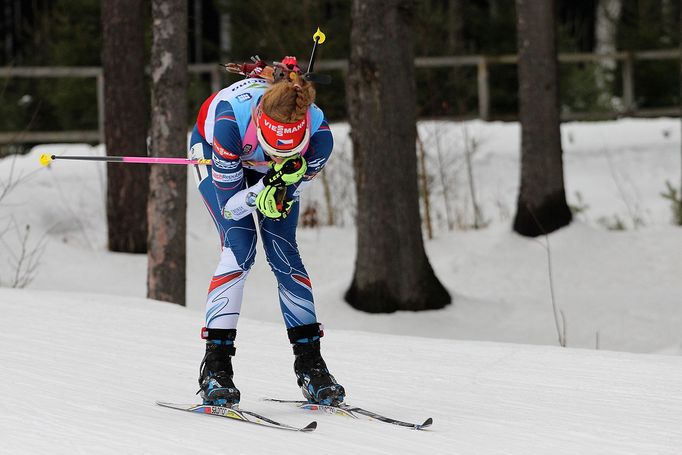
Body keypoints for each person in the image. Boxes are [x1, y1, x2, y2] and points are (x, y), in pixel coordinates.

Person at [187, 56, 345, 407]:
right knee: (240, 248)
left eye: (286, 152)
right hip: (217, 150)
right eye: (273, 151)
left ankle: (310, 363)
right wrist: (261, 191)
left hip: (269, 169)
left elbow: (287, 182)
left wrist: (280, 185)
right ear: (260, 121)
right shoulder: (230, 121)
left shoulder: (319, 138)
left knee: (284, 252)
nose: (275, 158)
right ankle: (216, 367)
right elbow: (231, 207)